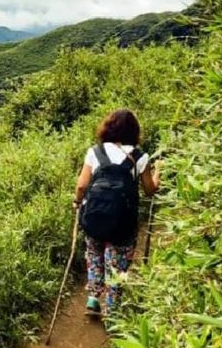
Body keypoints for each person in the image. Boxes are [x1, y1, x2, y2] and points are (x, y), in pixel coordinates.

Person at [73, 109, 161, 316]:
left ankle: (93, 298)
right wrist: (158, 171)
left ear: (108, 128)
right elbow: (150, 190)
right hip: (123, 221)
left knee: (94, 253)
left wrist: (77, 202)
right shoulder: (140, 157)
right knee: (118, 262)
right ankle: (112, 307)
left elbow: (81, 185)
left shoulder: (95, 152)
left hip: (94, 217)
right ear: (134, 131)